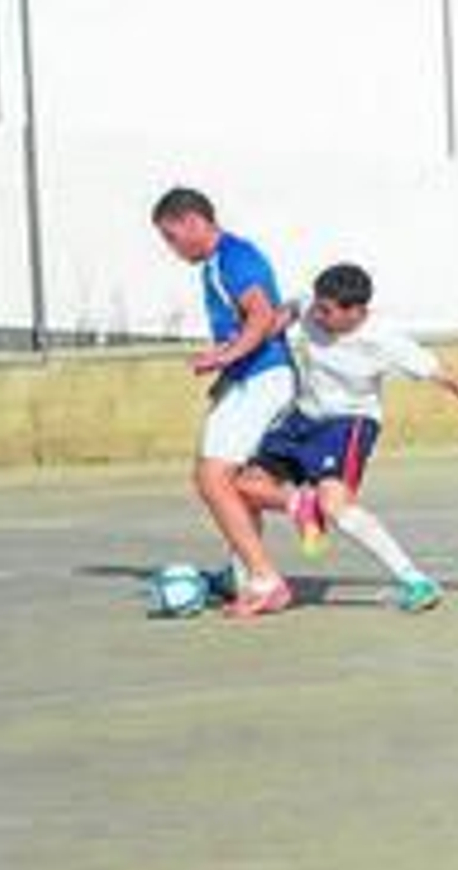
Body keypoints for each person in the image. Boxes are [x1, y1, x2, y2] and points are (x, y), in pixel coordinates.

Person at [232, 262, 458, 613]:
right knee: (242, 487)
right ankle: (251, 571)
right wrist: (262, 334)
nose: (318, 316)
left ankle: (416, 581)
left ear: (356, 311)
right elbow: (287, 311)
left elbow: (452, 378)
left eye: (327, 311)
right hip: (301, 418)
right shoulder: (310, 303)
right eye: (317, 307)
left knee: (335, 507)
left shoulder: (385, 340)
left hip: (348, 424)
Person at [151, 187, 297, 618]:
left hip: (262, 378)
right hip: (250, 378)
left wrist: (225, 358)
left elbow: (261, 314)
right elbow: (258, 319)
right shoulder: (220, 262)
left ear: (194, 222)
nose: (171, 248)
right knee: (232, 482)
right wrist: (227, 372)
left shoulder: (233, 257)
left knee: (212, 478)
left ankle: (267, 579)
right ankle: (243, 574)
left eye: (171, 236)